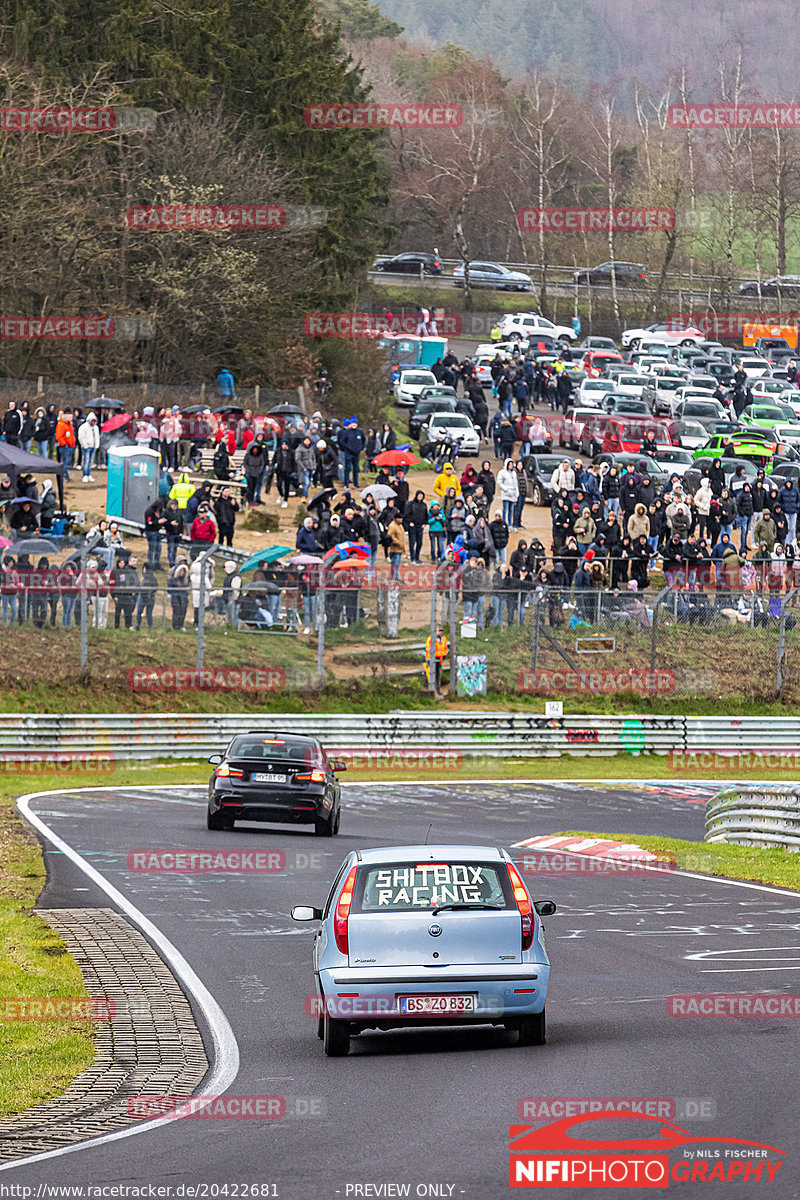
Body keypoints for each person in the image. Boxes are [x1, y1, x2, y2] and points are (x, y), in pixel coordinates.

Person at [144, 498, 166, 569]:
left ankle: (157, 564)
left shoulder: (158, 511)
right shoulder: (149, 511)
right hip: (150, 531)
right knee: (152, 548)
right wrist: (158, 522)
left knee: (158, 548)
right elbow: (149, 523)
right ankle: (150, 564)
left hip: (157, 531)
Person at [168, 559, 190, 629]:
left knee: (183, 611)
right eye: (180, 571)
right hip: (175, 597)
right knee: (176, 611)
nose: (181, 572)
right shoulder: (172, 580)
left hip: (183, 597)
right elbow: (169, 589)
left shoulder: (185, 581)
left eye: (183, 571)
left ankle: (181, 625)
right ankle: (175, 626)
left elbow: (187, 589)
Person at [425, 626, 448, 692]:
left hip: (440, 659)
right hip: (433, 659)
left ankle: (438, 689)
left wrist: (444, 656)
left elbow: (445, 648)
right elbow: (428, 650)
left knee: (438, 674)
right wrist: (428, 661)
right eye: (439, 630)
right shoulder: (431, 639)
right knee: (432, 674)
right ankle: (433, 688)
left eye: (441, 630)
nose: (441, 632)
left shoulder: (443, 638)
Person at [78, 412, 100, 481]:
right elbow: (81, 437)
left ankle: (89, 474)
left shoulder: (96, 428)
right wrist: (84, 445)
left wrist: (97, 445)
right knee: (86, 461)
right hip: (86, 447)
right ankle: (85, 475)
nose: (93, 422)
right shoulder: (83, 427)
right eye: (92, 420)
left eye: (94, 421)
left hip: (93, 447)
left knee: (90, 462)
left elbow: (97, 437)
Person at [496, 458, 519, 527]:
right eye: (510, 464)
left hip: (513, 493)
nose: (511, 466)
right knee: (505, 509)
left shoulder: (514, 473)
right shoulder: (502, 472)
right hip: (506, 493)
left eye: (512, 464)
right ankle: (503, 523)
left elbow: (515, 483)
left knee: (511, 510)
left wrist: (517, 492)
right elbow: (499, 482)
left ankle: (510, 524)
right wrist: (506, 489)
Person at [55, 410, 76, 480]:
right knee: (65, 462)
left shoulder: (69, 424)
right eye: (70, 417)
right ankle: (63, 475)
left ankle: (65, 475)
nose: (71, 418)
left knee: (67, 461)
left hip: (70, 445)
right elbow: (59, 436)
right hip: (65, 446)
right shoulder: (61, 425)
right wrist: (64, 444)